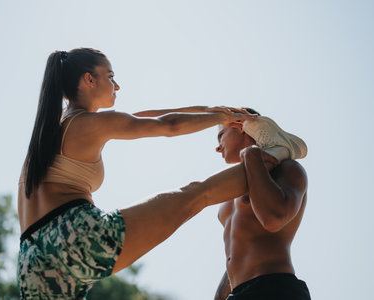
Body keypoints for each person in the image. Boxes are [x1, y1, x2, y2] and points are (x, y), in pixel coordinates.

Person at [17, 47, 282, 299]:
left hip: (31, 262)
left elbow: (154, 115)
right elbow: (169, 125)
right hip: (74, 236)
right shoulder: (91, 124)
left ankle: (266, 157)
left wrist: (215, 112)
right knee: (194, 195)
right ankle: (272, 156)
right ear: (89, 79)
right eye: (110, 77)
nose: (117, 86)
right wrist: (220, 120)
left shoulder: (48, 133)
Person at [214, 108, 311, 300]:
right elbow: (238, 254)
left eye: (221, 135)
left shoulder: (288, 170)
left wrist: (251, 155)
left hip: (276, 289)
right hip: (239, 293)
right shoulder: (230, 191)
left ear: (241, 125)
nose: (218, 147)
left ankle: (278, 148)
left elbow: (272, 219)